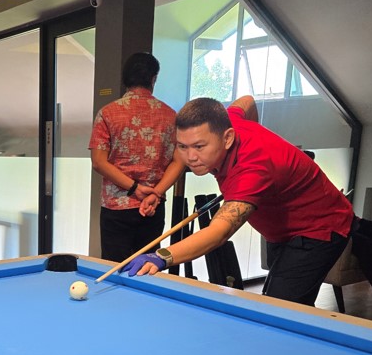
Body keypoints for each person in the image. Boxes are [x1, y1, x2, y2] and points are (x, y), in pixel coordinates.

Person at [125, 95, 354, 307]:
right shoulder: (227, 121)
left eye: (199, 147)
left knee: (280, 309)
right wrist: (255, 132)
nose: (190, 157)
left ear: (227, 139)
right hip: (282, 227)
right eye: (182, 146)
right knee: (280, 300)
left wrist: (162, 256)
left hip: (320, 228)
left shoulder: (252, 170)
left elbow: (218, 233)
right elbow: (247, 100)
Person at [88, 52, 182, 262]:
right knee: (147, 265)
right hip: (153, 205)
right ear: (153, 79)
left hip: (116, 206)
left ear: (125, 79)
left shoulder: (107, 113)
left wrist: (134, 188)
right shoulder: (171, 116)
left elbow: (98, 162)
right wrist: (156, 192)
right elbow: (179, 161)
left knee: (114, 266)